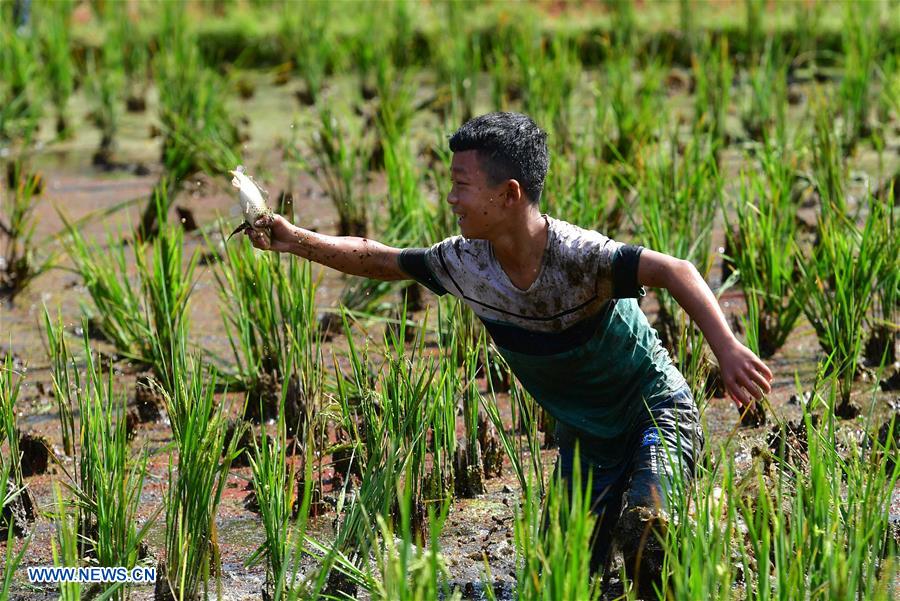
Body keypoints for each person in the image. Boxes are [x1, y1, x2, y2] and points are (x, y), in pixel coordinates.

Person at [246, 112, 772, 594]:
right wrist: (295, 241)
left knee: (648, 536)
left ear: (509, 194)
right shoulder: (465, 264)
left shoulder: (579, 257)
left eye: (461, 185)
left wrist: (726, 349)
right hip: (587, 439)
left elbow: (674, 270)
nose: (451, 199)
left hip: (652, 413)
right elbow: (382, 260)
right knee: (559, 583)